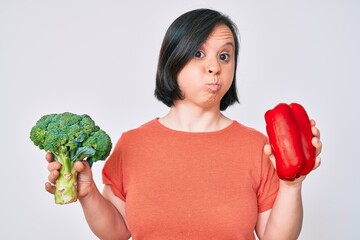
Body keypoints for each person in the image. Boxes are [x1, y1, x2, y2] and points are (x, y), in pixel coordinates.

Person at [45, 8, 322, 240]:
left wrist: (291, 187)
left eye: (224, 56)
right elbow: (117, 231)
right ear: (172, 61)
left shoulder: (257, 147)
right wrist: (88, 193)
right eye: (198, 54)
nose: (214, 67)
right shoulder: (132, 144)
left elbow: (275, 237)